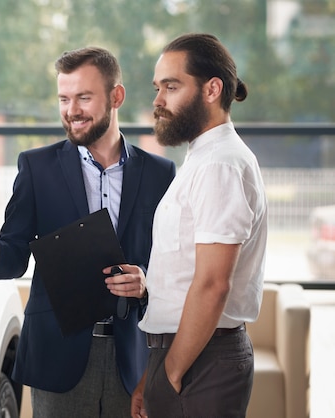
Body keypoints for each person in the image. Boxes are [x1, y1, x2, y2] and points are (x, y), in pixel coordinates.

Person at [0, 46, 175, 417]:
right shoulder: (37, 168)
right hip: (57, 359)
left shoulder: (159, 174)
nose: (72, 111)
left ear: (116, 96)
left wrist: (147, 282)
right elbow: (15, 253)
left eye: (84, 97)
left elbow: (174, 265)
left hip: (132, 360)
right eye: (64, 99)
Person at [131, 33, 268, 418]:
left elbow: (212, 284)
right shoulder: (202, 157)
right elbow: (181, 277)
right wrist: (154, 373)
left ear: (212, 89)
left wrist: (171, 373)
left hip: (200, 363)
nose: (158, 100)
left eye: (171, 87)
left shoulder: (219, 165)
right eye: (158, 88)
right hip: (188, 355)